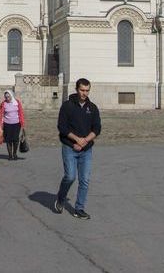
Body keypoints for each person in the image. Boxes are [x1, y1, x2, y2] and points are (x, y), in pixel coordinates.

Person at [53, 78, 101, 220]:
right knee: (70, 176)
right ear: (76, 89)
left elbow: (97, 128)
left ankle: (79, 209)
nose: (84, 93)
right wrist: (76, 140)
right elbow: (62, 127)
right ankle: (61, 198)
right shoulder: (67, 106)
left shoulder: (92, 108)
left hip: (86, 149)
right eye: (82, 90)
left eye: (87, 90)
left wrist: (85, 140)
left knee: (84, 180)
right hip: (70, 147)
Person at [0, 90, 25, 160]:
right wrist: (0, 124)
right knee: (8, 140)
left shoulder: (17, 102)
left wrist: (22, 123)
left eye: (8, 96)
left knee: (15, 140)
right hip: (7, 124)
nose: (7, 98)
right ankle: (10, 155)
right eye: (6, 97)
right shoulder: (3, 103)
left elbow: (21, 113)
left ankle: (15, 153)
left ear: (11, 95)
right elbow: (0, 113)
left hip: (16, 124)